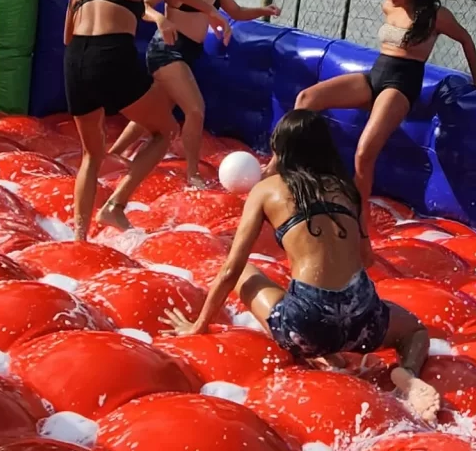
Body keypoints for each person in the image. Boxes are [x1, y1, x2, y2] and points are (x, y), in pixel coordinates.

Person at [165, 109, 439, 420]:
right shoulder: (346, 189)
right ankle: (409, 374)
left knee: (248, 275)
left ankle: (323, 354)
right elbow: (367, 259)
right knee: (415, 331)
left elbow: (231, 268)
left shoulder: (266, 190)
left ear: (282, 150)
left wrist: (199, 325)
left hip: (307, 326)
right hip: (364, 319)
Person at [291, 0, 476, 209]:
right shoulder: (388, 7)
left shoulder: (436, 15)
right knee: (306, 98)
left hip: (401, 85)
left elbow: (466, 40)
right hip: (376, 75)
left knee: (363, 153)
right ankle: (279, 166)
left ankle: (359, 223)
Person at [111, 0, 277, 188]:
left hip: (189, 53)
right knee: (195, 109)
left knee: (156, 110)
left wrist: (264, 10)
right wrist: (160, 19)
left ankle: (114, 154)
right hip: (166, 49)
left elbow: (236, 11)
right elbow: (142, 5)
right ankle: (192, 174)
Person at [62, 0, 180, 239]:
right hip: (109, 54)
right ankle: (115, 204)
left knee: (92, 154)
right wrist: (207, 10)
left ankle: (79, 236)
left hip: (75, 59)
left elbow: (67, 34)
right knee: (166, 130)